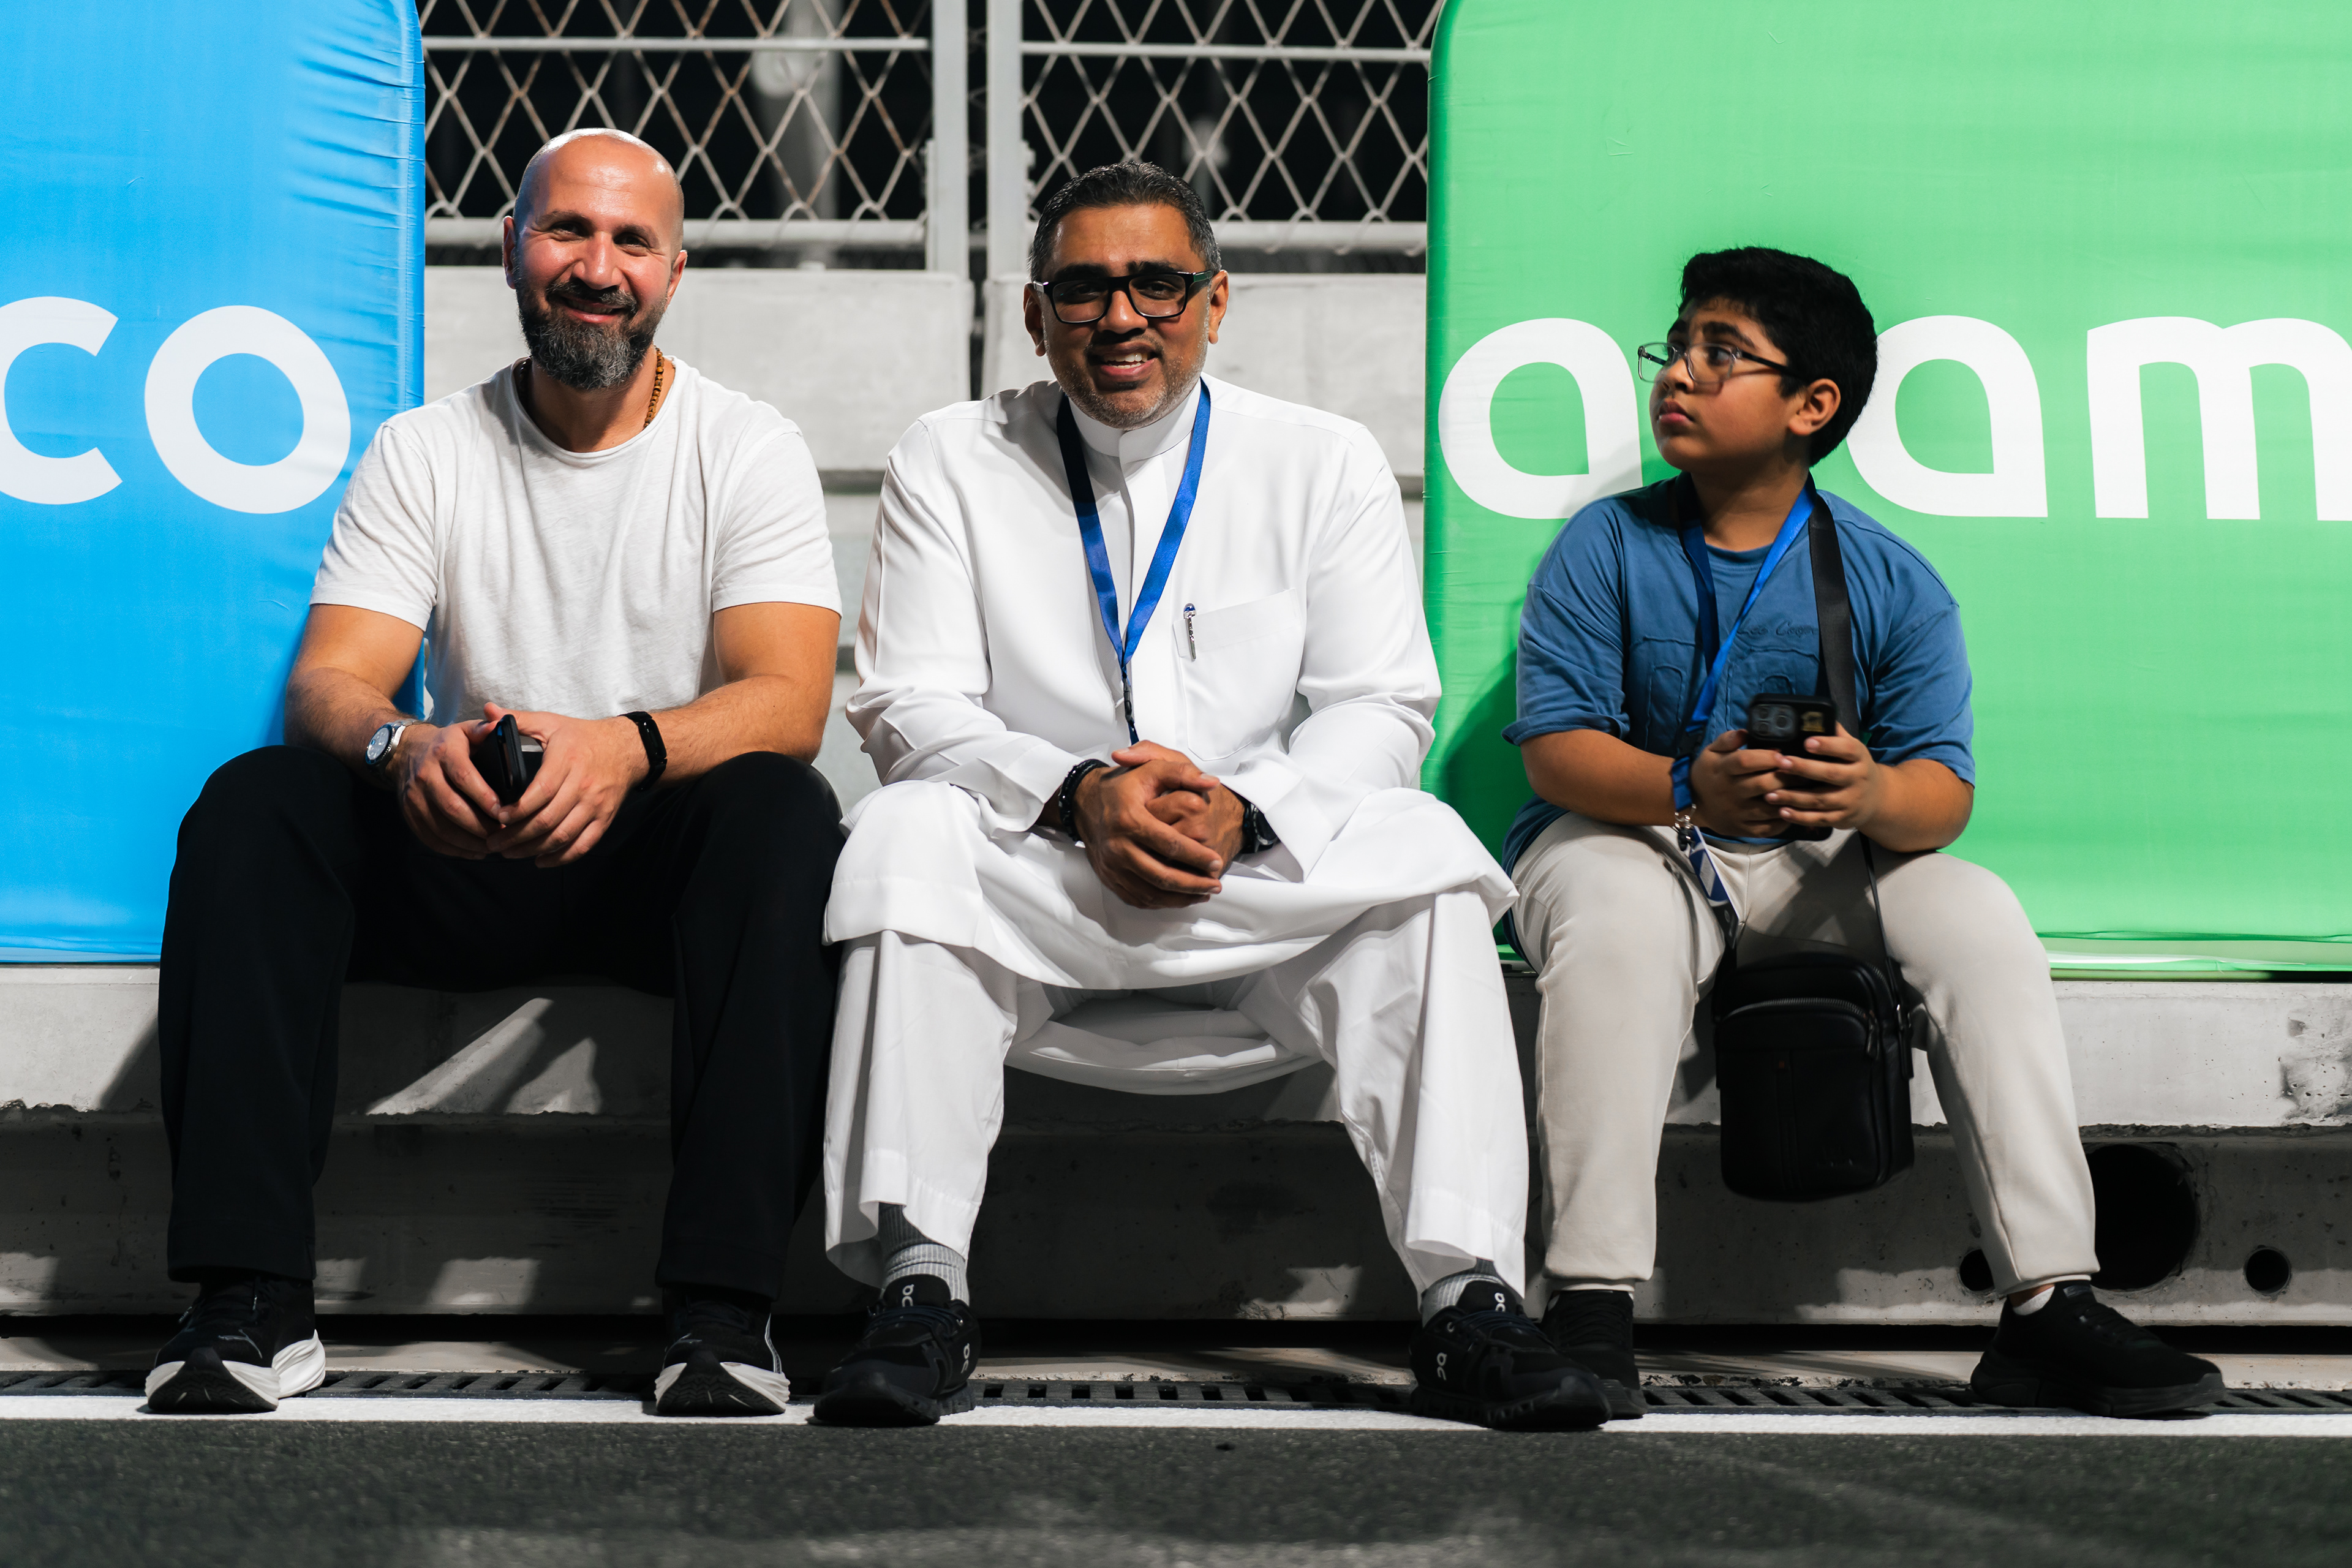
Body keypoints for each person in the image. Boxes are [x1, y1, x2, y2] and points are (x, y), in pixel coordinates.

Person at [810, 161, 1609, 1431]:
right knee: (904, 833)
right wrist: (1078, 794)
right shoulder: (950, 456)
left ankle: (1471, 1300)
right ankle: (920, 1289)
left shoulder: (1319, 460)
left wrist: (1246, 810)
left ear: (1216, 301)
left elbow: (1381, 705)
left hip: (1254, 884)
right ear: (1036, 315)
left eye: (1157, 285)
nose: (1121, 317)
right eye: (1084, 288)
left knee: (1424, 850)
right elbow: (910, 703)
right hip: (1048, 873)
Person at [148, 129, 844, 1417]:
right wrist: (408, 747)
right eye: (568, 231)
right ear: (511, 249)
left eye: (632, 241)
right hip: (465, 839)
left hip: (650, 859)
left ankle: (723, 1310)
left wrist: (622, 747)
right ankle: (250, 1299)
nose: (598, 267)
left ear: (675, 270)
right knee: (256, 805)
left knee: (782, 813)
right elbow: (330, 684)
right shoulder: (426, 448)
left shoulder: (746, 446)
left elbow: (789, 700)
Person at [1505, 246, 2225, 1419]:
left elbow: (1943, 791)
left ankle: (2050, 1303)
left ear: (1813, 405)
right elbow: (1556, 752)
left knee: (1979, 915)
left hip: (1816, 859)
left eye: (1720, 354)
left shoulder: (1893, 579)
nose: (1678, 373)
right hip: (1631, 841)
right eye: (1676, 347)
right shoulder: (1605, 545)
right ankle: (1589, 1300)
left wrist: (1869, 794)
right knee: (1616, 915)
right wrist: (1690, 788)